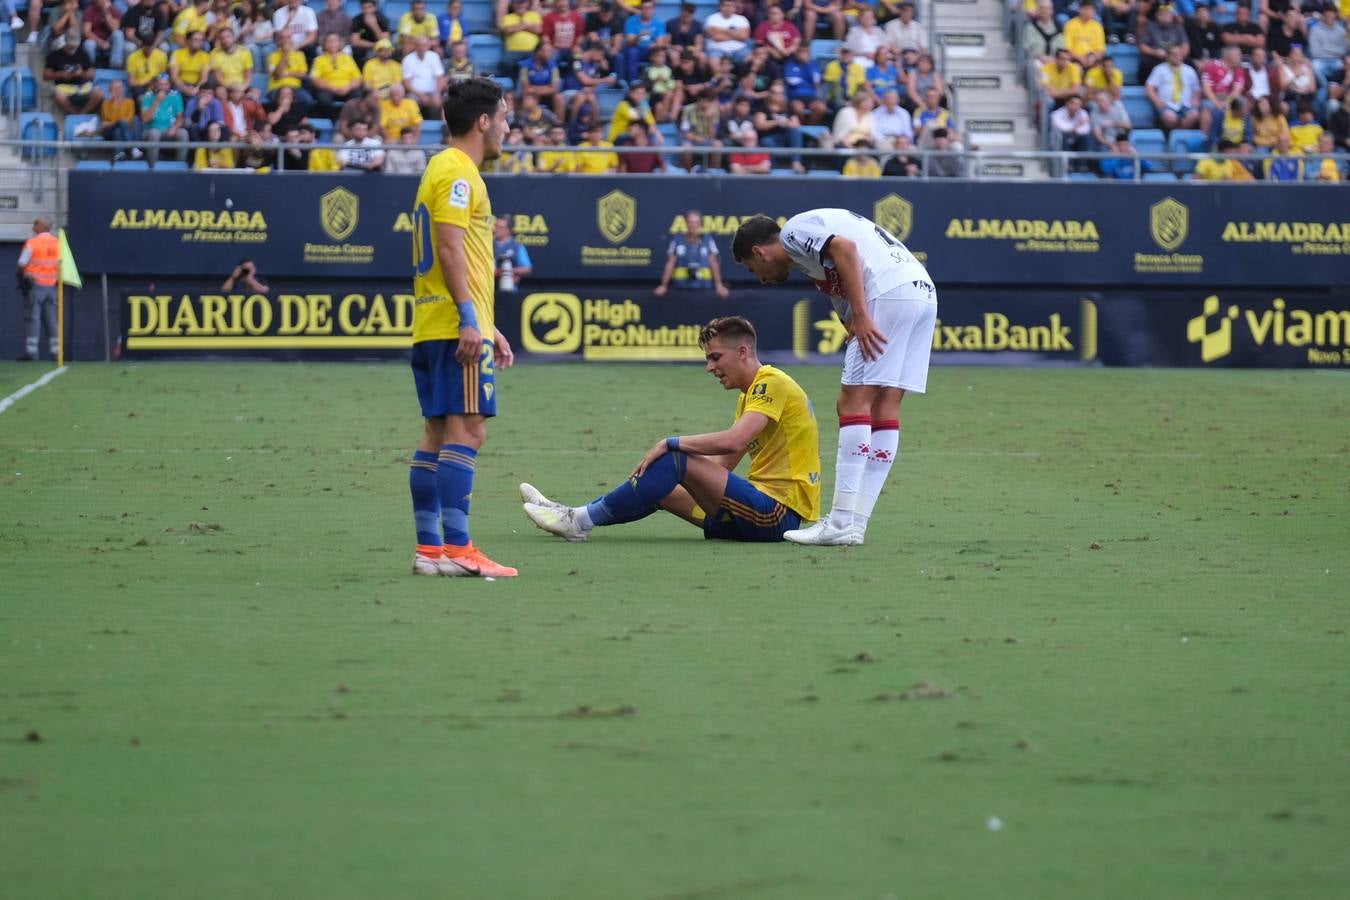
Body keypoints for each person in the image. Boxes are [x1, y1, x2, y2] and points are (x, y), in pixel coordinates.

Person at [732, 209, 937, 546]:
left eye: (754, 269)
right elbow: (840, 281)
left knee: (851, 403)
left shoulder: (792, 233)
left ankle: (841, 521)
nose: (761, 278)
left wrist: (861, 313)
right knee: (886, 407)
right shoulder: (808, 259)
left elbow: (845, 250)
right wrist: (851, 319)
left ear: (759, 251)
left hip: (887, 294)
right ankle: (855, 525)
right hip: (921, 292)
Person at [521, 316, 821, 545]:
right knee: (663, 484)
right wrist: (665, 479)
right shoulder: (751, 396)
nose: (709, 367)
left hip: (778, 516)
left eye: (715, 357)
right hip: (750, 515)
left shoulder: (772, 383)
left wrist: (670, 443)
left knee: (674, 458)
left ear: (742, 351)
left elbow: (734, 441)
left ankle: (577, 520)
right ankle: (573, 515)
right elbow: (721, 467)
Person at [408, 77, 517, 579]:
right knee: (468, 431)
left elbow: (457, 254)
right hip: (455, 326)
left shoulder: (442, 166)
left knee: (436, 434)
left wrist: (487, 324)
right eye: (505, 117)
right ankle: (459, 548)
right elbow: (450, 247)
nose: (508, 128)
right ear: (484, 121)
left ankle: (430, 550)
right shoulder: (458, 171)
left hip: (435, 323)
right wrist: (471, 319)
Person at [16, 219, 60, 363]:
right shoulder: (58, 243)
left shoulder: (32, 243)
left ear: (40, 227)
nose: (32, 226)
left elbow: (22, 263)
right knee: (52, 320)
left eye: (35, 224)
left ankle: (32, 353)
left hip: (35, 286)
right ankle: (56, 352)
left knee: (33, 319)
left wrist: (23, 275)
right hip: (52, 286)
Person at [656, 210, 727, 298]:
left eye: (696, 222)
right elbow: (670, 263)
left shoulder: (708, 240)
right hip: (681, 289)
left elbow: (714, 263)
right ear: (686, 223)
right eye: (690, 222)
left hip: (704, 288)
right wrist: (664, 285)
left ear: (701, 224)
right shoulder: (677, 240)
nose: (693, 225)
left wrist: (719, 285)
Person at [45, 29, 105, 115]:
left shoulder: (83, 53)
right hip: (64, 86)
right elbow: (46, 75)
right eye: (70, 45)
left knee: (99, 94)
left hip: (82, 86)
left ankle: (82, 113)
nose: (72, 48)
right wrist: (61, 74)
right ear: (65, 41)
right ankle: (73, 113)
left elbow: (92, 74)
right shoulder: (55, 55)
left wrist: (82, 74)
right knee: (59, 96)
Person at [1145, 43, 1201, 130]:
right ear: (1168, 56)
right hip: (1167, 105)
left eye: (1179, 54)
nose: (1177, 56)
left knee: (1194, 115)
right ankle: (1177, 135)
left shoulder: (1190, 70)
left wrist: (1195, 100)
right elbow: (1150, 87)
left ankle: (1177, 134)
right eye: (1173, 54)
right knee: (1170, 118)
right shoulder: (1159, 69)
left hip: (1186, 105)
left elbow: (1197, 89)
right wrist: (1157, 101)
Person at [139, 72, 188, 164]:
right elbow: (145, 119)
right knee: (154, 133)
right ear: (155, 85)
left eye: (165, 84)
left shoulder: (176, 96)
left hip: (169, 130)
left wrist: (175, 127)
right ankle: (152, 166)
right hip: (151, 130)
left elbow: (180, 118)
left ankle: (180, 166)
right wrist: (157, 101)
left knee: (183, 133)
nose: (162, 87)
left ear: (169, 85)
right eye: (160, 84)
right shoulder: (148, 96)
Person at [403, 34, 447, 117]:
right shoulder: (408, 59)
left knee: (437, 101)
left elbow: (440, 77)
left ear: (428, 46)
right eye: (419, 45)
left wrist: (437, 93)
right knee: (410, 100)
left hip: (433, 92)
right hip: (415, 93)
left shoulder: (434, 56)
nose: (421, 48)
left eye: (424, 45)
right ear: (415, 46)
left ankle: (434, 126)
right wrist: (421, 95)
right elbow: (407, 84)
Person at [492, 216, 532, 292]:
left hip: (509, 289)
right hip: (489, 288)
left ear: (508, 230)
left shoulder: (517, 246)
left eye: (500, 227)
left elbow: (527, 268)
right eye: (495, 226)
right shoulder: (488, 244)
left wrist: (507, 272)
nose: (496, 229)